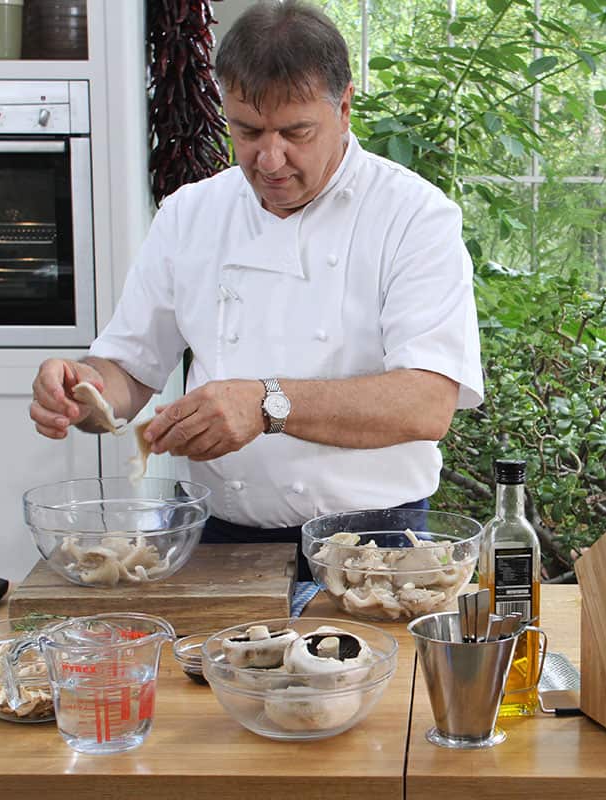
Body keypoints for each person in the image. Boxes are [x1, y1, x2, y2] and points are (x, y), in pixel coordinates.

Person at [28, 0, 483, 579]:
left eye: (296, 132)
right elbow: (130, 370)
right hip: (220, 541)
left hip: (378, 545)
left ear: (343, 108)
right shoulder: (190, 214)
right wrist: (83, 391)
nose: (269, 159)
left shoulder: (414, 216)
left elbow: (427, 403)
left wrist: (267, 403)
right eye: (247, 131)